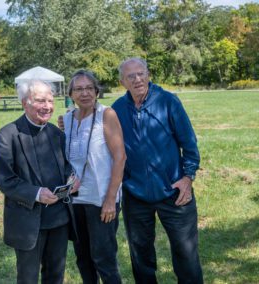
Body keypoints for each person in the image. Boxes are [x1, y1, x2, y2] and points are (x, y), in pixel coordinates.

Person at [112, 58, 203, 283]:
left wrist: (187, 177)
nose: (137, 79)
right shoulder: (116, 110)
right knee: (140, 255)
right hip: (136, 194)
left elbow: (189, 144)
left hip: (174, 191)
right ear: (122, 81)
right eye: (131, 76)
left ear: (148, 74)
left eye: (141, 73)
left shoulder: (168, 101)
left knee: (186, 253)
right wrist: (69, 122)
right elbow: (99, 137)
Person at [0, 80, 79, 284]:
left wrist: (71, 179)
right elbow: (5, 180)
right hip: (28, 222)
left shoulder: (57, 134)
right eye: (40, 100)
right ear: (25, 103)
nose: (47, 106)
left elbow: (66, 166)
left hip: (59, 219)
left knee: (55, 275)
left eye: (50, 100)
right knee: (28, 278)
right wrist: (37, 193)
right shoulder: (7, 136)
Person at [63, 70, 126, 283]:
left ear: (97, 91)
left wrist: (110, 199)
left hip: (101, 199)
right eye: (79, 89)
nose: (85, 93)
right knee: (83, 258)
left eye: (89, 88)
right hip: (75, 199)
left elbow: (120, 157)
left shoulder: (106, 115)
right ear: (70, 93)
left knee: (104, 258)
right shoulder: (67, 119)